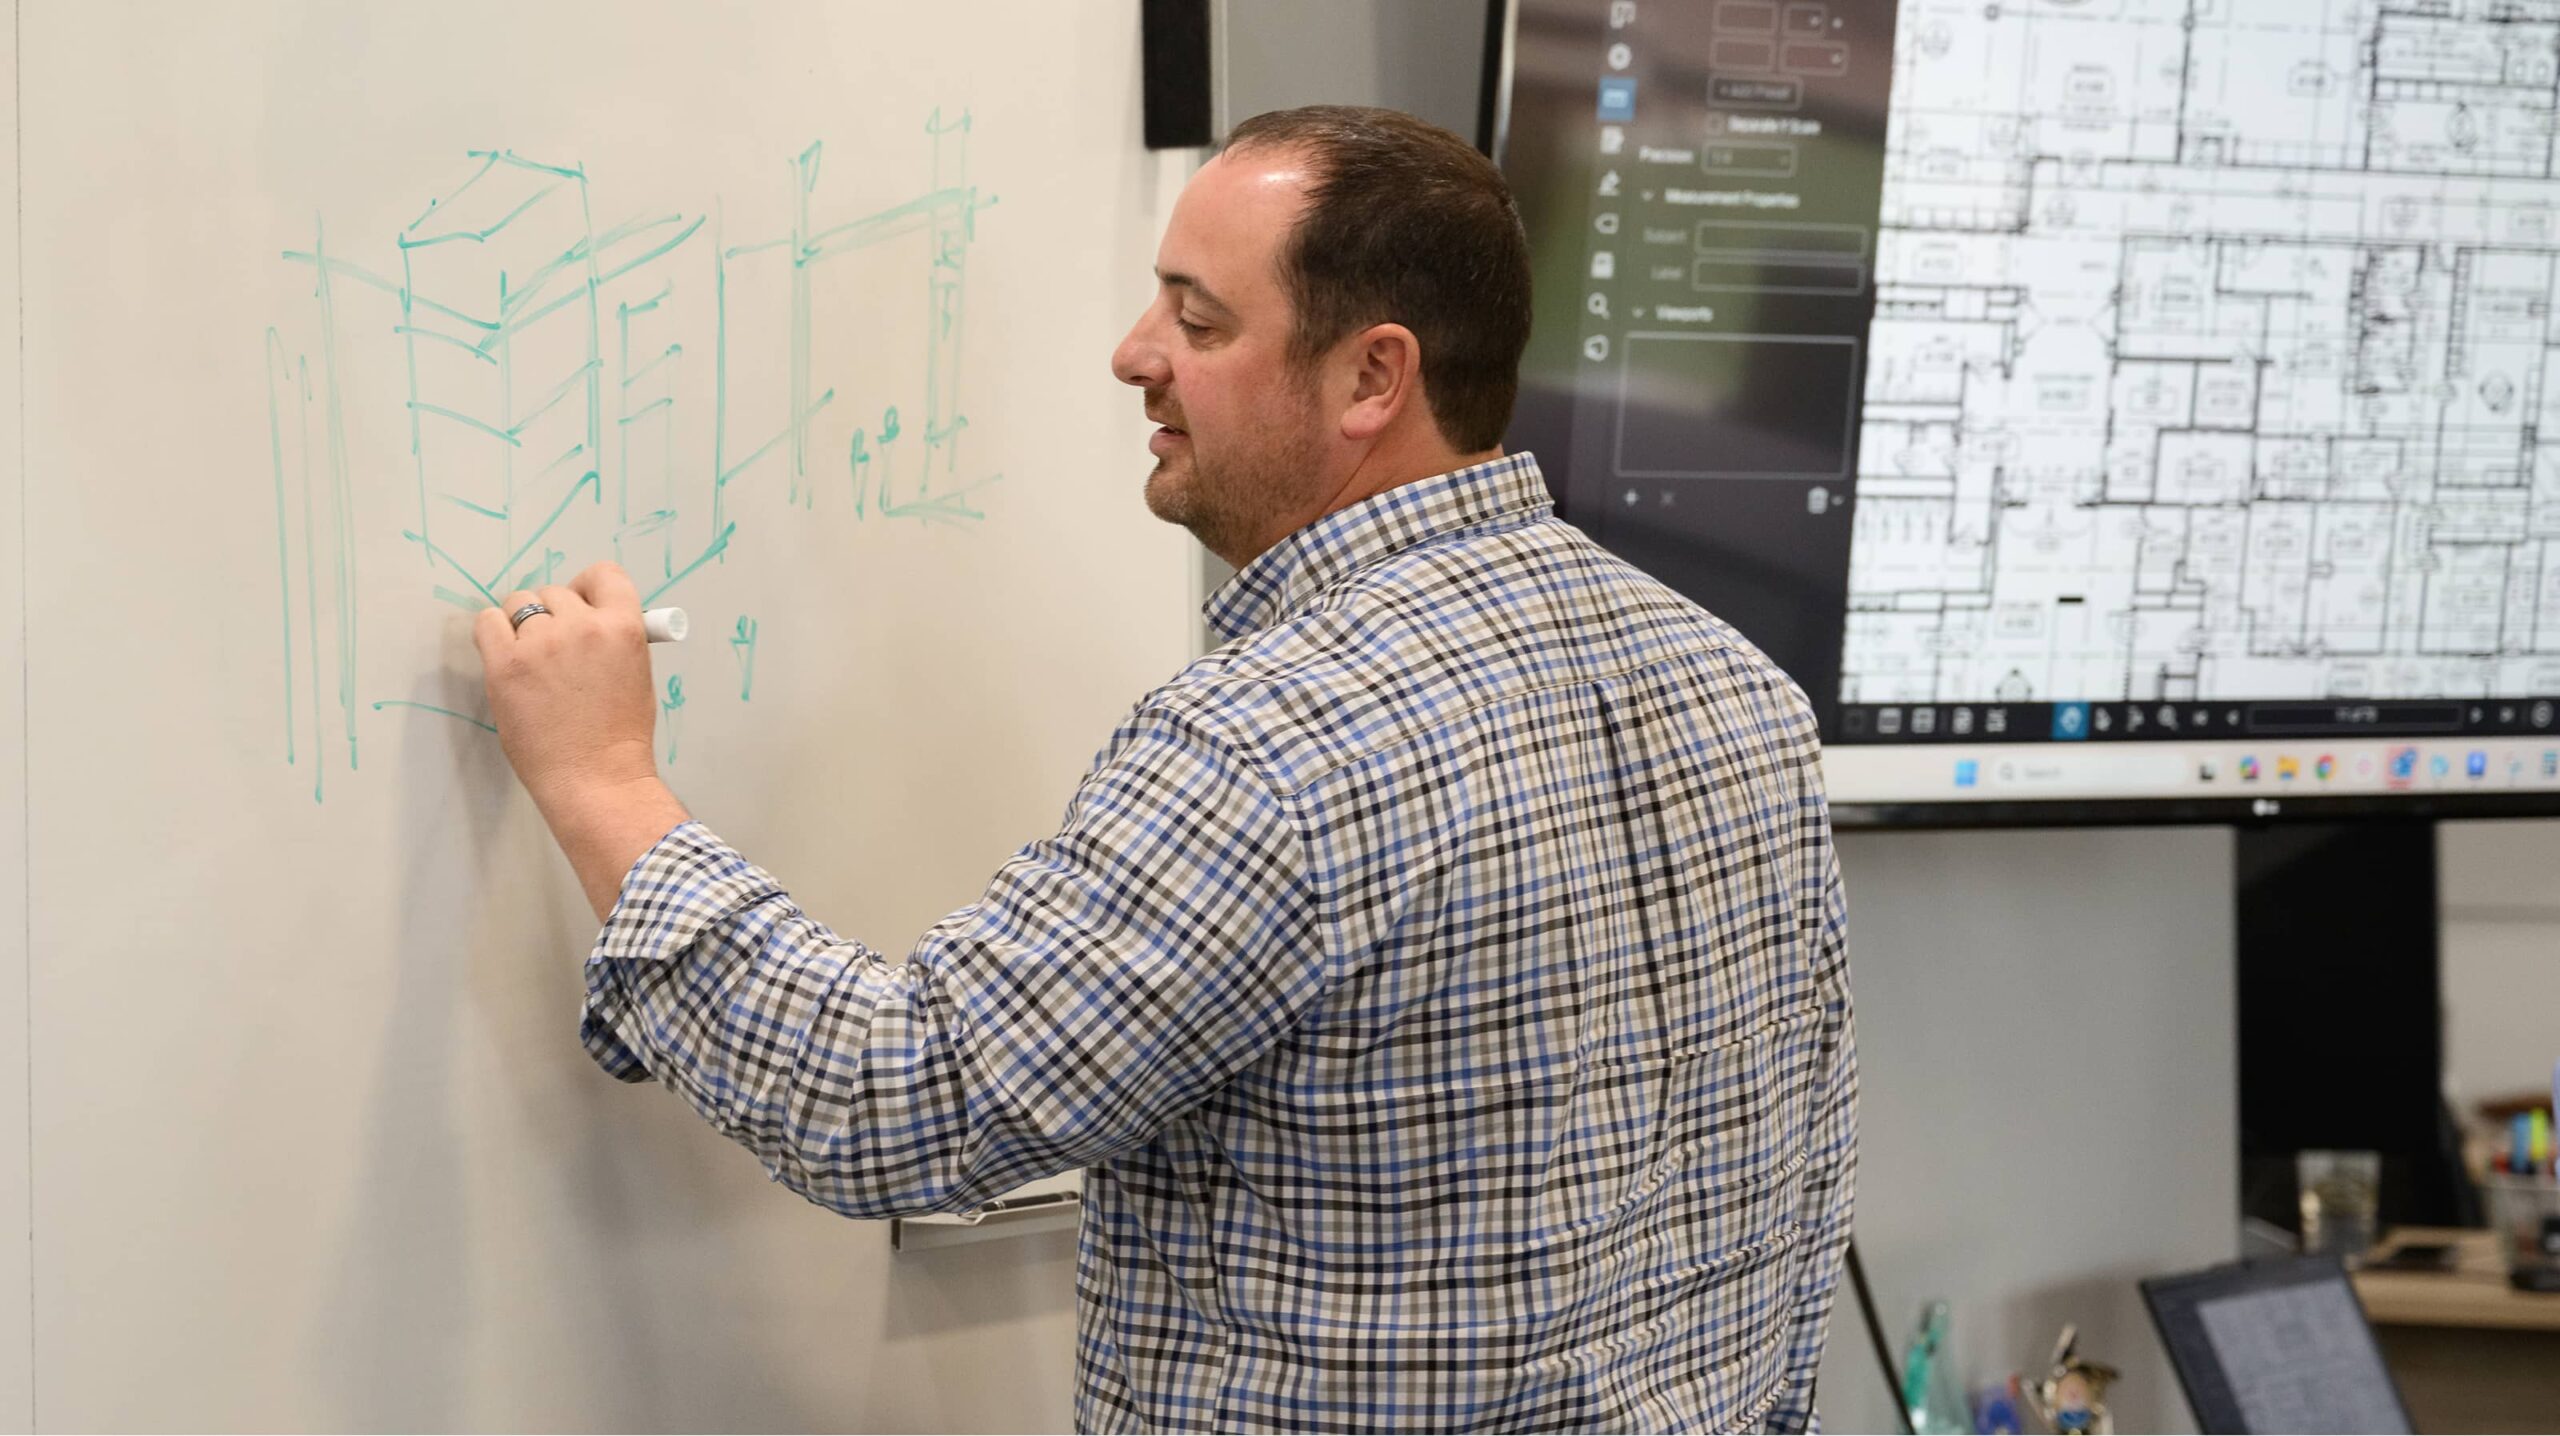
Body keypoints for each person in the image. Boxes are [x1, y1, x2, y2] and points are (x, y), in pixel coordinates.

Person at [474, 105, 1855, 1433]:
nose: (1137, 354)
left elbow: (900, 1101)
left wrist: (605, 780)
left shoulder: (1276, 746)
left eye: (1200, 322)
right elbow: (1805, 1216)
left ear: (1376, 377)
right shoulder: (1738, 688)